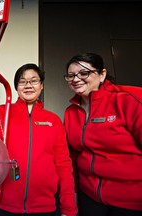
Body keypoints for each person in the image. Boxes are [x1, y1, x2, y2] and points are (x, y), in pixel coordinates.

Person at [0, 63, 77, 216]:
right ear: (16, 87)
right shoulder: (0, 113)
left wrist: (68, 208)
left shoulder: (53, 121)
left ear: (41, 85)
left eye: (33, 80)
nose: (28, 85)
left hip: (44, 207)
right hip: (1, 204)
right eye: (22, 81)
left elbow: (64, 166)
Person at [63, 52, 142, 216]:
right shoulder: (71, 112)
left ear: (101, 74)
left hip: (131, 201)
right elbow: (74, 157)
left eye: (84, 73)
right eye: (71, 76)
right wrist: (74, 192)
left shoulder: (126, 99)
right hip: (90, 198)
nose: (76, 79)